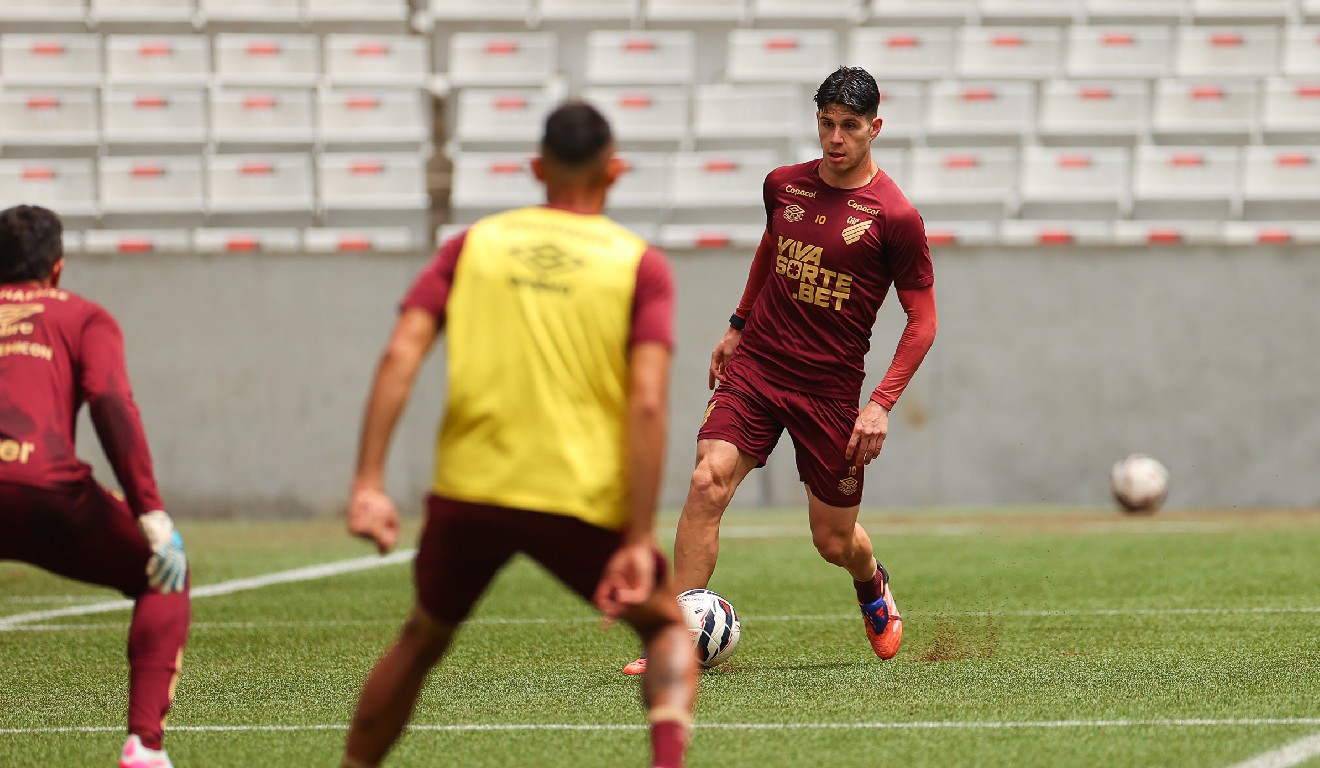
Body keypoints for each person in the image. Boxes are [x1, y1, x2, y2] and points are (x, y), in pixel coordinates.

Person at [341, 101, 698, 768]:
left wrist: (368, 483)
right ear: (614, 172)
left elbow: (400, 355)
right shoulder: (639, 264)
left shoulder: (471, 245)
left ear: (536, 168)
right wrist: (638, 535)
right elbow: (648, 404)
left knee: (422, 639)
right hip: (579, 497)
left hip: (471, 489)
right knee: (668, 630)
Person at [624, 66, 938, 675]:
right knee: (705, 481)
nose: (836, 137)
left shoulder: (896, 218)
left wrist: (881, 402)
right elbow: (772, 248)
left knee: (832, 541)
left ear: (875, 128)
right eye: (827, 123)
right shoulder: (782, 186)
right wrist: (739, 325)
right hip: (760, 368)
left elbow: (922, 323)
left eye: (850, 126)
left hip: (830, 391)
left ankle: (872, 584)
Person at [0, 205, 191, 768]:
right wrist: (151, 514)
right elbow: (111, 402)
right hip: (47, 492)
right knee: (162, 577)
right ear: (57, 268)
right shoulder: (83, 316)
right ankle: (143, 747)